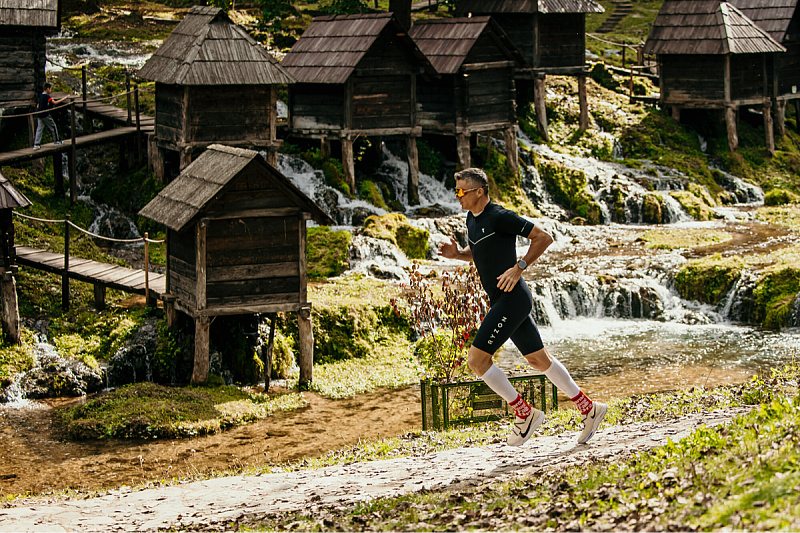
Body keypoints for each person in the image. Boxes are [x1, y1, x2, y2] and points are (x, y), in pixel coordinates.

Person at [438, 167, 607, 447]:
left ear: (479, 192)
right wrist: (457, 254)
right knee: (539, 360)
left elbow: (543, 237)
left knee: (477, 362)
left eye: (461, 191)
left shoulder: (500, 216)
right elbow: (478, 254)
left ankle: (524, 413)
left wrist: (519, 267)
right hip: (505, 300)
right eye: (456, 191)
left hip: (512, 298)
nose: (457, 197)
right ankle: (589, 408)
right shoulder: (471, 219)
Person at [33, 83, 71, 150]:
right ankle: (56, 141)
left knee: (39, 129)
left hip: (39, 114)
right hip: (45, 115)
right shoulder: (47, 96)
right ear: (47, 89)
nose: (50, 90)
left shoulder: (41, 96)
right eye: (50, 89)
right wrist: (65, 98)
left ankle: (36, 144)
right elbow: (55, 102)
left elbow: (38, 105)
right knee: (53, 126)